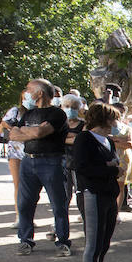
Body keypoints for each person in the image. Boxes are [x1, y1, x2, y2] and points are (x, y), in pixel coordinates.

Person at [8, 78, 73, 256]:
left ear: (40, 92)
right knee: (24, 204)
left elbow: (39, 132)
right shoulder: (28, 114)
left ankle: (62, 242)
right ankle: (26, 240)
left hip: (52, 161)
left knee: (58, 204)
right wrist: (31, 133)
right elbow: (13, 134)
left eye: (30, 89)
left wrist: (27, 133)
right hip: (28, 161)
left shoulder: (57, 114)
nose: (27, 93)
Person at [72, 102, 125, 262]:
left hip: (108, 195)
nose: (116, 122)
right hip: (91, 194)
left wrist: (112, 168)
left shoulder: (108, 142)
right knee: (92, 244)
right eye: (114, 118)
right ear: (104, 120)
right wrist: (111, 169)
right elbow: (83, 167)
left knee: (104, 243)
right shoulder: (84, 139)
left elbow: (112, 164)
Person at [0, 95, 25, 227]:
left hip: (34, 150)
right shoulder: (15, 111)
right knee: (18, 184)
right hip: (15, 150)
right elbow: (0, 127)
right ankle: (19, 216)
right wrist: (6, 125)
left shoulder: (39, 112)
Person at [60, 93, 87, 228]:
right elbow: (54, 139)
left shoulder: (84, 124)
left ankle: (87, 224)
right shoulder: (59, 124)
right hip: (62, 164)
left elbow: (81, 140)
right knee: (63, 196)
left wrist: (63, 138)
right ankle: (59, 226)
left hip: (78, 164)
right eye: (67, 106)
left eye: (74, 107)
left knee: (81, 195)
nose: (70, 109)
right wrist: (72, 137)